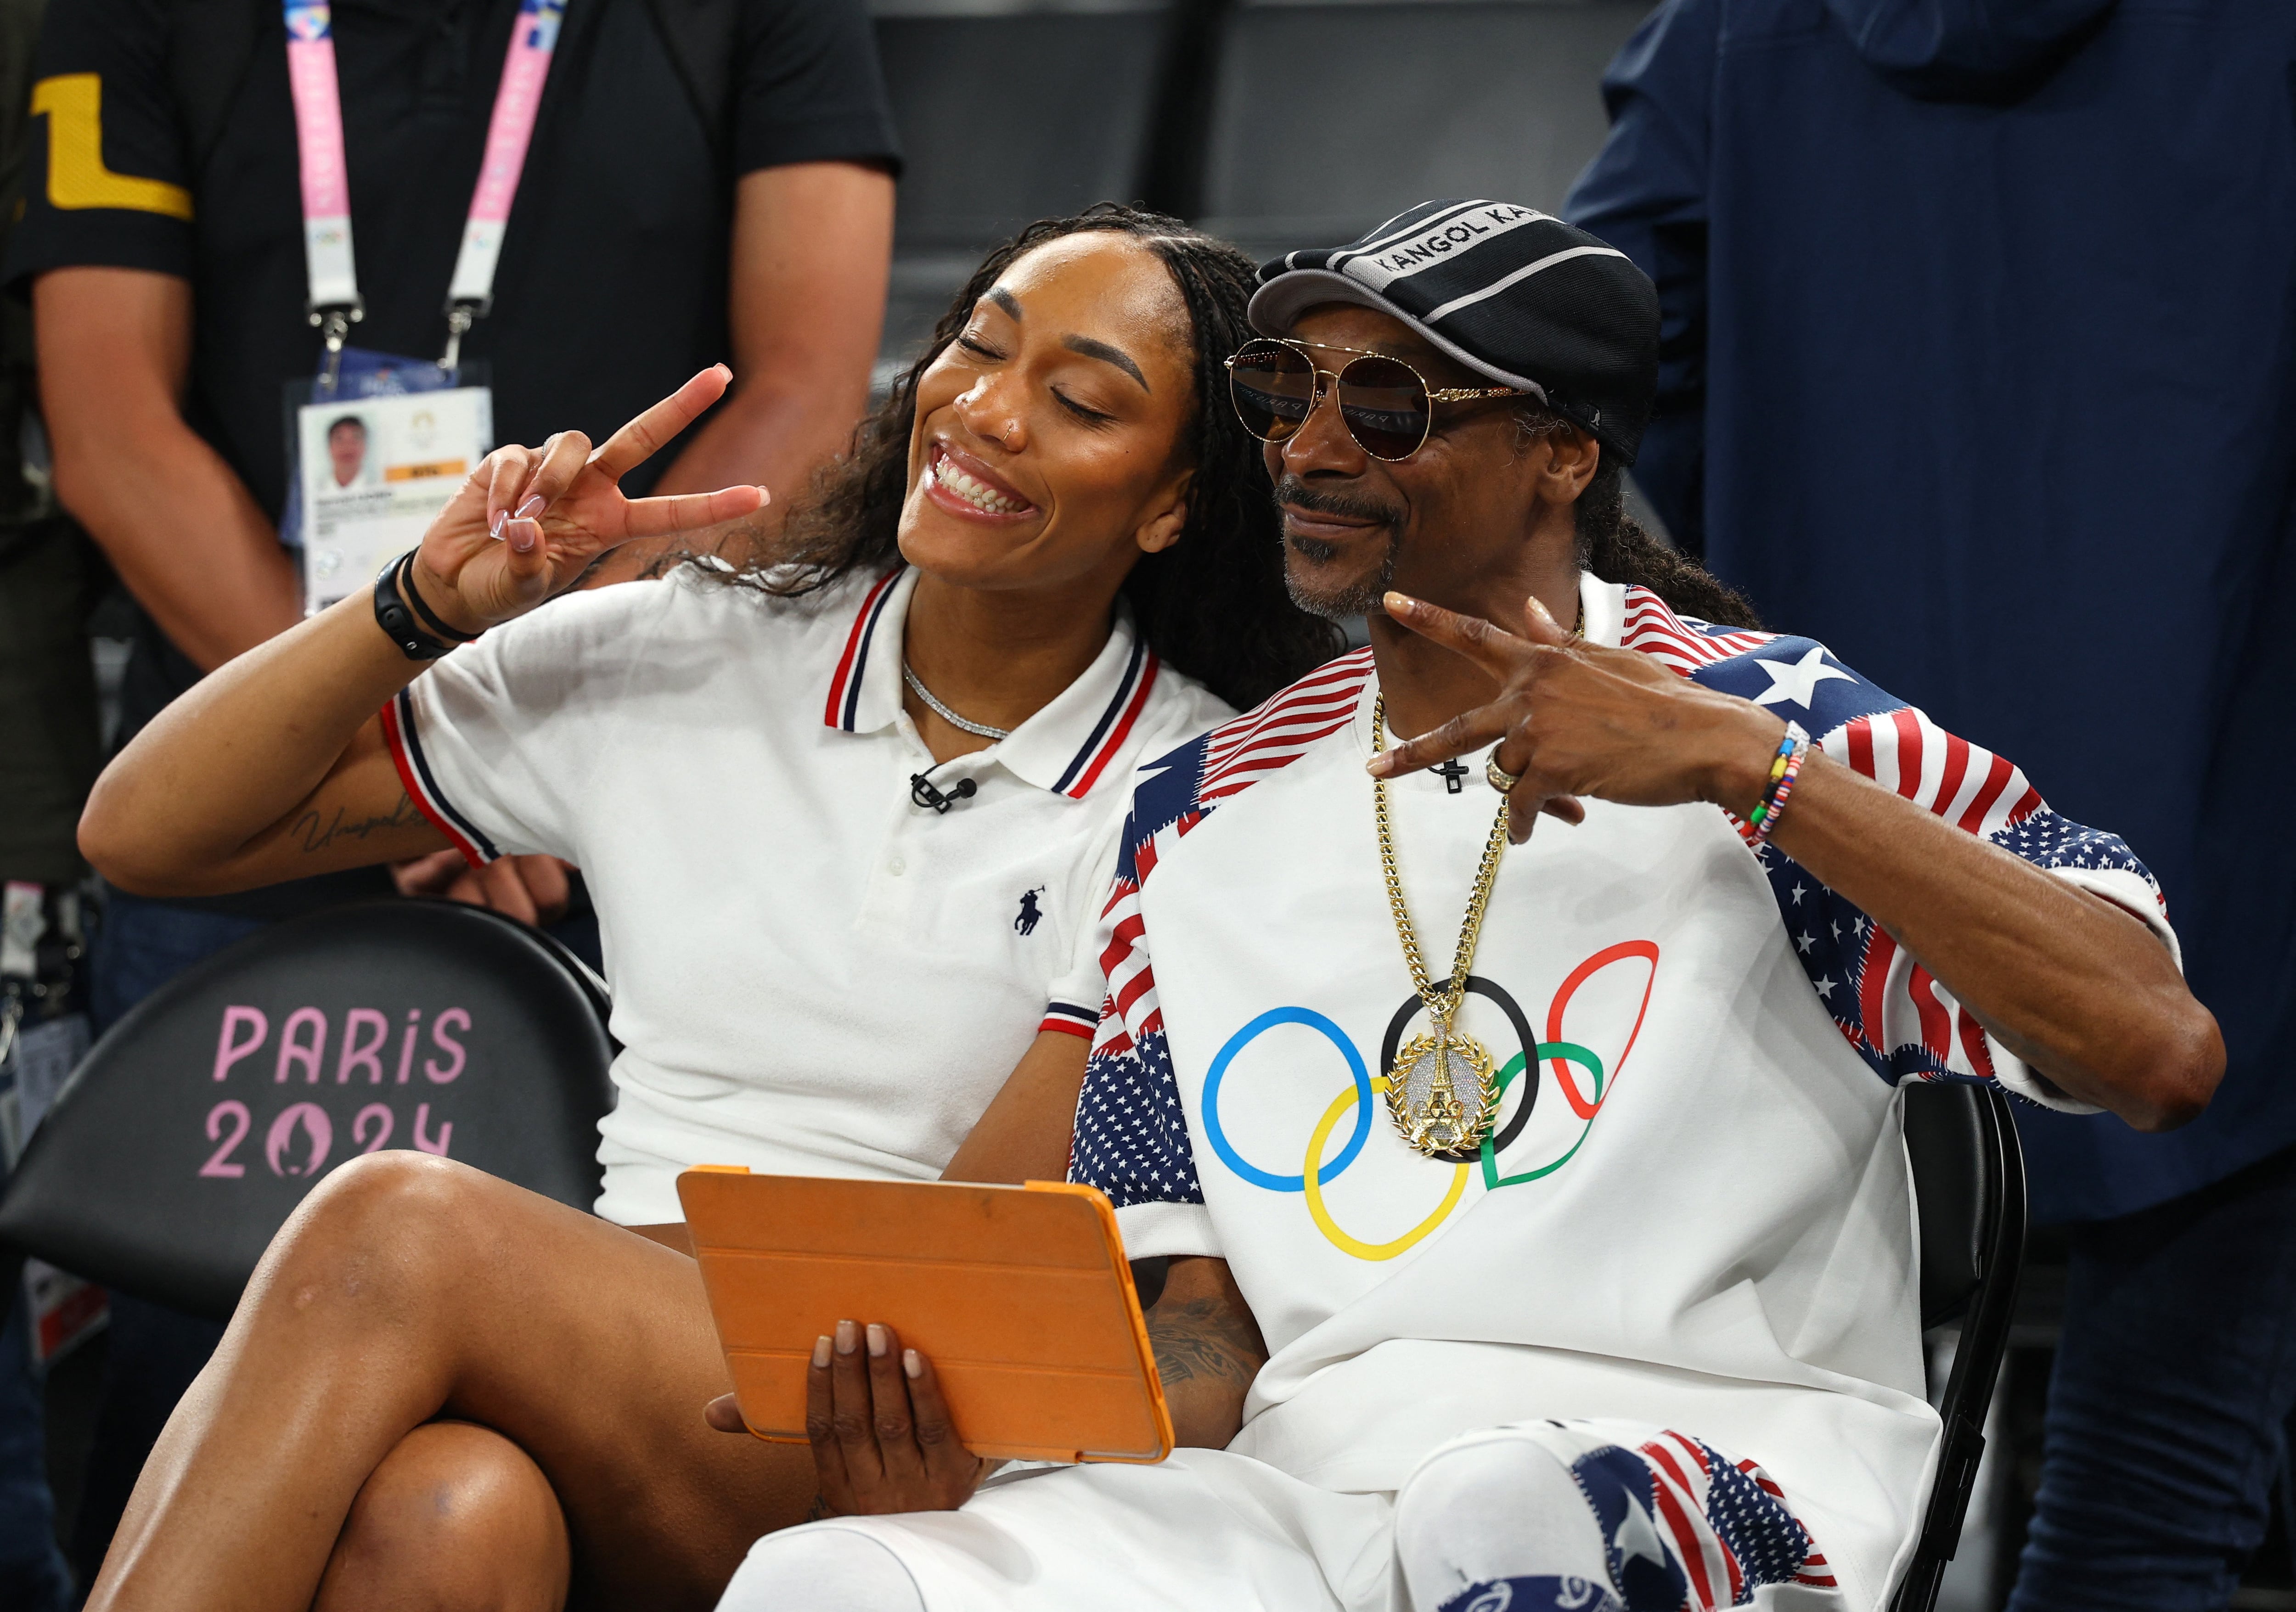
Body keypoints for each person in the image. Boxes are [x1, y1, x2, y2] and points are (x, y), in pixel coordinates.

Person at [715, 202, 2223, 1612]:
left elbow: (2154, 1051)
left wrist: (1747, 772)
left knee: (1497, 1509)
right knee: (840, 1579)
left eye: (1385, 411)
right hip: (1312, 1480)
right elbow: (1208, 1326)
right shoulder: (1190, 815)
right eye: (1284, 389)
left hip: (1730, 1462)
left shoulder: (1778, 723)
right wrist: (970, 1429)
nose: (1306, 448)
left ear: (1561, 457)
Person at [72, 205, 1341, 1612]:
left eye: (1081, 399)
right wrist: (423, 603)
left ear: (1174, 503)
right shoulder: (695, 648)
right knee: (448, 1518)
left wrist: (941, 1434)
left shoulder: (1203, 790)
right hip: (609, 1391)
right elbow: (146, 834)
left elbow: (1003, 1290)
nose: (987, 413)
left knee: (393, 1224)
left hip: (917, 1428)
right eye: (978, 348)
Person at [4, 0, 903, 1566]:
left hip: (627, 788)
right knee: (190, 1392)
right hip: (259, 781)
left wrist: (523, 709)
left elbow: (804, 410)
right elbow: (115, 434)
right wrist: (399, 709)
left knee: (538, 1436)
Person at [1562, 3, 2296, 1602]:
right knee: (2148, 1510)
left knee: (1782, 1463)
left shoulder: (1737, 33)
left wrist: (1766, 597)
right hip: (2241, 797)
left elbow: (1587, 349)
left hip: (1841, 810)